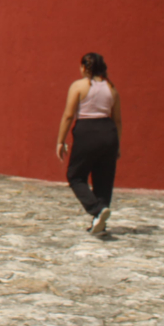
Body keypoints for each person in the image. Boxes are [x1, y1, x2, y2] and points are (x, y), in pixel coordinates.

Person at [55, 52, 122, 235]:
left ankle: (96, 210)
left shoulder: (78, 86)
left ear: (85, 67)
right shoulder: (111, 87)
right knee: (104, 179)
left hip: (87, 131)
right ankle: (100, 221)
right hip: (109, 132)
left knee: (75, 175)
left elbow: (69, 115)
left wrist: (60, 141)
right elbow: (117, 120)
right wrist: (118, 145)